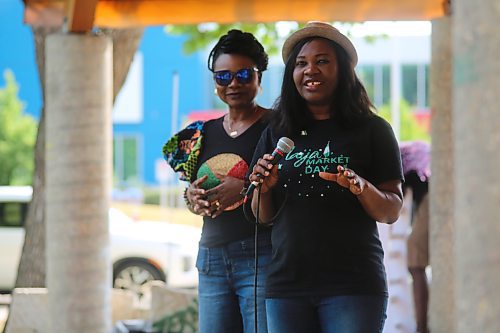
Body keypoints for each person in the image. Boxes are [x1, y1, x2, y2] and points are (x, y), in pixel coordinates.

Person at [247, 21, 404, 333]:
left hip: (354, 285)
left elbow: (391, 211)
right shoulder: (276, 132)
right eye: (301, 63)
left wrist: (362, 188)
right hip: (287, 286)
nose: (310, 71)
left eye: (322, 61)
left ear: (342, 70)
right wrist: (264, 190)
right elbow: (261, 217)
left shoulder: (374, 130)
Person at [184, 30, 271, 333]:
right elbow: (194, 192)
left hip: (261, 256)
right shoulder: (202, 132)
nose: (233, 83)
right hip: (211, 257)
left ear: (259, 76)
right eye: (223, 77)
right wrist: (192, 198)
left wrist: (246, 186)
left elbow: (289, 183)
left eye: (244, 74)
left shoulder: (276, 126)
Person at [400, 141, 431, 333]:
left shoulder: (399, 156)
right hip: (430, 197)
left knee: (415, 263)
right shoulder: (410, 151)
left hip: (431, 198)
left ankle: (421, 327)